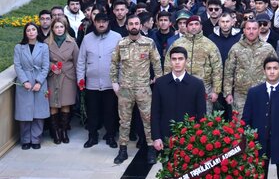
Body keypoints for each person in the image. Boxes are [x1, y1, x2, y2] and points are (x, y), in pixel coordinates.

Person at [151, 46, 207, 179]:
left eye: (180, 59)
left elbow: (201, 116)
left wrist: (198, 140)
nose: (177, 62)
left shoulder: (197, 84)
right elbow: (155, 113)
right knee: (167, 178)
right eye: (174, 59)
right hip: (167, 139)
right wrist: (156, 137)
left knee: (189, 178)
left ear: (186, 61)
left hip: (189, 141)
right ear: (170, 61)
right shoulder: (160, 83)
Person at [110, 15, 163, 165]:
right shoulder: (121, 43)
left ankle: (151, 149)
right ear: (127, 26)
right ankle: (123, 149)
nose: (134, 26)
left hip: (143, 89)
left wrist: (158, 81)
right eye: (131, 24)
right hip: (125, 88)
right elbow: (114, 64)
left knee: (148, 119)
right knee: (124, 121)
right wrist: (114, 82)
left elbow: (157, 63)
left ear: (141, 25)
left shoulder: (149, 43)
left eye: (136, 23)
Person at [76, 12, 124, 148]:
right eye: (98, 22)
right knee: (93, 112)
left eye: (104, 21)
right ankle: (92, 136)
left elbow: (121, 61)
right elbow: (81, 61)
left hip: (111, 84)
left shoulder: (117, 37)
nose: (101, 24)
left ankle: (110, 136)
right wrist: (81, 80)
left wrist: (119, 81)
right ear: (95, 23)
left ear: (108, 23)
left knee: (110, 112)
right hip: (92, 84)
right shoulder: (87, 39)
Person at [165, 15, 222, 113]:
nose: (194, 27)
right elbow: (168, 66)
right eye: (191, 24)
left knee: (203, 120)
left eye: (196, 24)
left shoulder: (210, 45)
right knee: (181, 119)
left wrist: (215, 91)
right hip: (180, 88)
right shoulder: (177, 44)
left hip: (204, 89)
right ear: (187, 27)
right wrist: (168, 88)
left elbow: (217, 69)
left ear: (201, 26)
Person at [223, 18, 277, 114]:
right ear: (244, 30)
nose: (251, 31)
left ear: (259, 30)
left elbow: (276, 70)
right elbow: (228, 72)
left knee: (262, 124)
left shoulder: (268, 48)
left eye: (254, 28)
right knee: (240, 125)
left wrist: (275, 90)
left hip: (263, 93)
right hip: (240, 95)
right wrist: (227, 93)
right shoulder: (236, 48)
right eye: (248, 29)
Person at [14, 23, 50, 149]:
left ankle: (36, 139)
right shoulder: (19, 47)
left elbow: (46, 66)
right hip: (24, 83)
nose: (31, 32)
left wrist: (39, 82)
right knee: (25, 112)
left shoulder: (44, 47)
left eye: (33, 29)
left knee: (38, 113)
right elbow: (17, 66)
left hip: (40, 81)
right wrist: (25, 81)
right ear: (25, 33)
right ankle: (25, 140)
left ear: (37, 31)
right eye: (28, 30)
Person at [46, 19, 79, 144]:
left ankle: (64, 131)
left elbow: (77, 61)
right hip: (53, 77)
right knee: (53, 104)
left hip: (68, 77)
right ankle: (56, 132)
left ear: (65, 28)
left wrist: (79, 78)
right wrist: (51, 66)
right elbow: (43, 60)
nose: (59, 29)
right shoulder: (46, 43)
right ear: (52, 29)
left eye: (61, 27)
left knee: (66, 104)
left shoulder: (72, 43)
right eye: (56, 27)